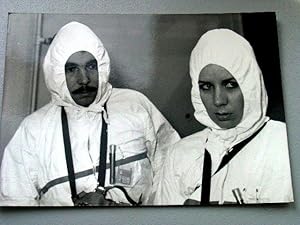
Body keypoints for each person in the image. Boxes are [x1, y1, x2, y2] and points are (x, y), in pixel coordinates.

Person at [0, 21, 180, 206]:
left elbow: (174, 172)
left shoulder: (135, 105)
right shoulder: (33, 130)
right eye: (72, 69)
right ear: (56, 73)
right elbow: (14, 204)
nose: (84, 79)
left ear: (102, 66)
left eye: (91, 66)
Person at [153, 28, 294, 205]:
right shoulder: (181, 154)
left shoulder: (285, 143)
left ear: (250, 83)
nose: (218, 100)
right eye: (206, 87)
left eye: (230, 84)